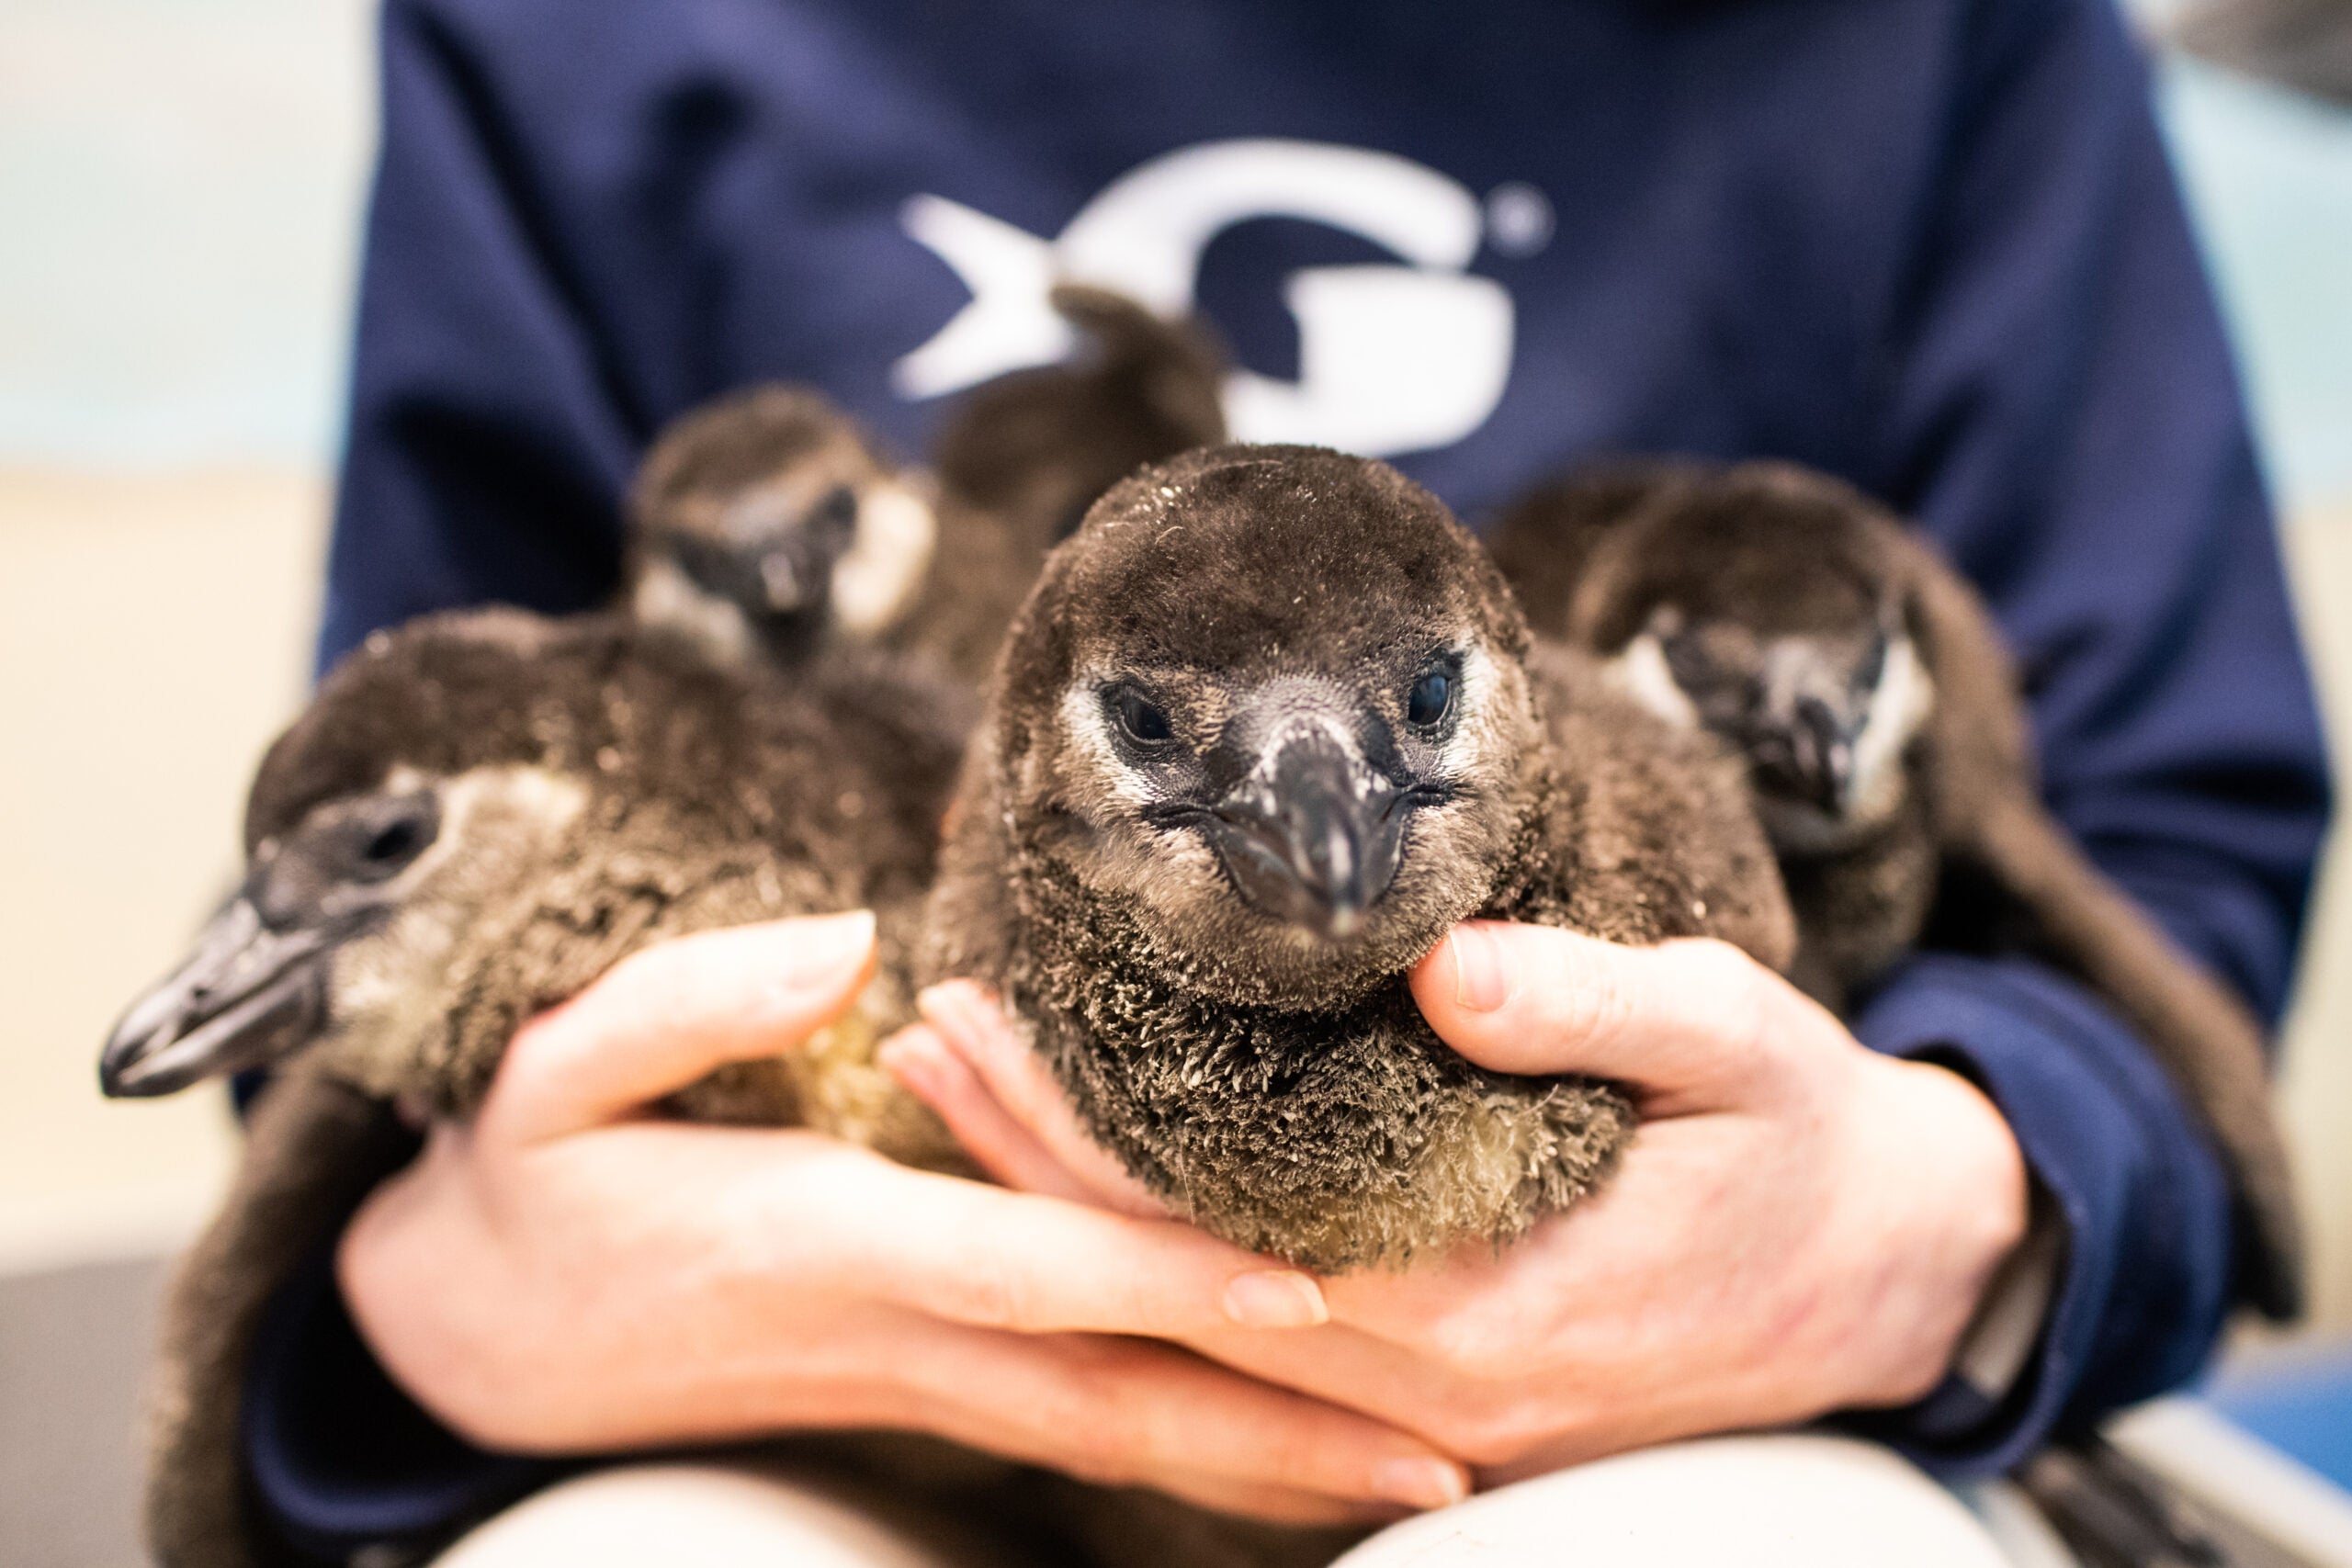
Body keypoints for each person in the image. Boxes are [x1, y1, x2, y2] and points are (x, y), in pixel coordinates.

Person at [243, 0, 2330, 1561]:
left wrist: (1955, 1202)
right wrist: (446, 1298)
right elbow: (362, 862)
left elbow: (2150, 826)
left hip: (1700, 1397)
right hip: (817, 1406)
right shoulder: (568, 32)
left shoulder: (1937, 38)